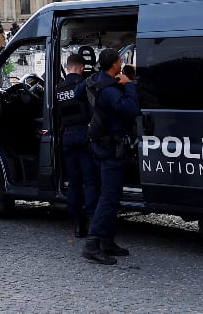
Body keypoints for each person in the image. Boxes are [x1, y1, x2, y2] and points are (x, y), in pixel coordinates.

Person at [82, 48, 140, 265]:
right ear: (115, 64)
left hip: (101, 145)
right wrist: (130, 85)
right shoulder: (110, 89)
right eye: (120, 60)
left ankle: (107, 241)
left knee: (109, 196)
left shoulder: (95, 81)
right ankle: (92, 243)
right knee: (109, 197)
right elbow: (131, 108)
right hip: (111, 149)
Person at [54, 53, 98, 239]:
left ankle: (78, 223)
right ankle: (92, 219)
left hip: (67, 136)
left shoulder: (59, 88)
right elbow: (94, 110)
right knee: (89, 180)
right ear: (81, 68)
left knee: (73, 181)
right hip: (84, 134)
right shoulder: (84, 85)